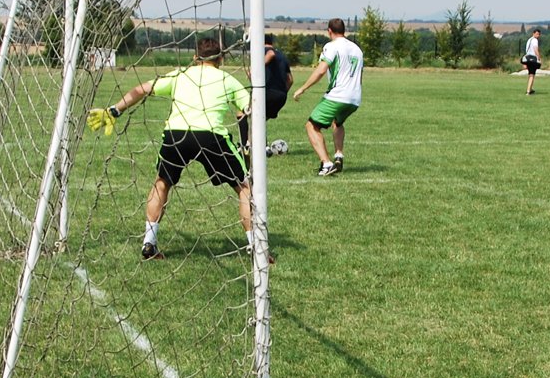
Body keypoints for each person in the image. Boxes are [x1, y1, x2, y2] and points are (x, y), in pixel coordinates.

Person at [90, 36, 264, 261]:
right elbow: (251, 108)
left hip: (176, 134)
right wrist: (250, 141)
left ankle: (149, 243)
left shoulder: (180, 74)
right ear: (220, 59)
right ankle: (256, 247)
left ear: (195, 57)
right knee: (244, 187)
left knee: (162, 183)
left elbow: (141, 89)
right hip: (211, 136)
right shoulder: (228, 79)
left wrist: (115, 110)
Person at [292, 17, 363, 177]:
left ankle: (326, 163)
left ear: (329, 31)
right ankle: (339, 155)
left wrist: (302, 88)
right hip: (355, 97)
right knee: (337, 122)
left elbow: (321, 70)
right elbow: (360, 75)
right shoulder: (357, 49)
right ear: (344, 30)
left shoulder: (331, 46)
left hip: (338, 95)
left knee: (311, 126)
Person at [238, 33, 293, 157]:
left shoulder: (264, 51)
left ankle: (245, 145)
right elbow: (290, 80)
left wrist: (255, 68)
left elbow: (270, 54)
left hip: (267, 93)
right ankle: (259, 146)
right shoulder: (282, 55)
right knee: (259, 120)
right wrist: (282, 92)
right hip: (281, 96)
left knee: (242, 113)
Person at [522, 28, 542, 96]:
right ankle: (528, 91)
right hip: (533, 59)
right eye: (537, 34)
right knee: (532, 75)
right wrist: (539, 58)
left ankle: (530, 89)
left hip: (527, 58)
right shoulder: (535, 40)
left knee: (530, 74)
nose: (538, 35)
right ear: (533, 33)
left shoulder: (529, 40)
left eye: (539, 34)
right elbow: (535, 49)